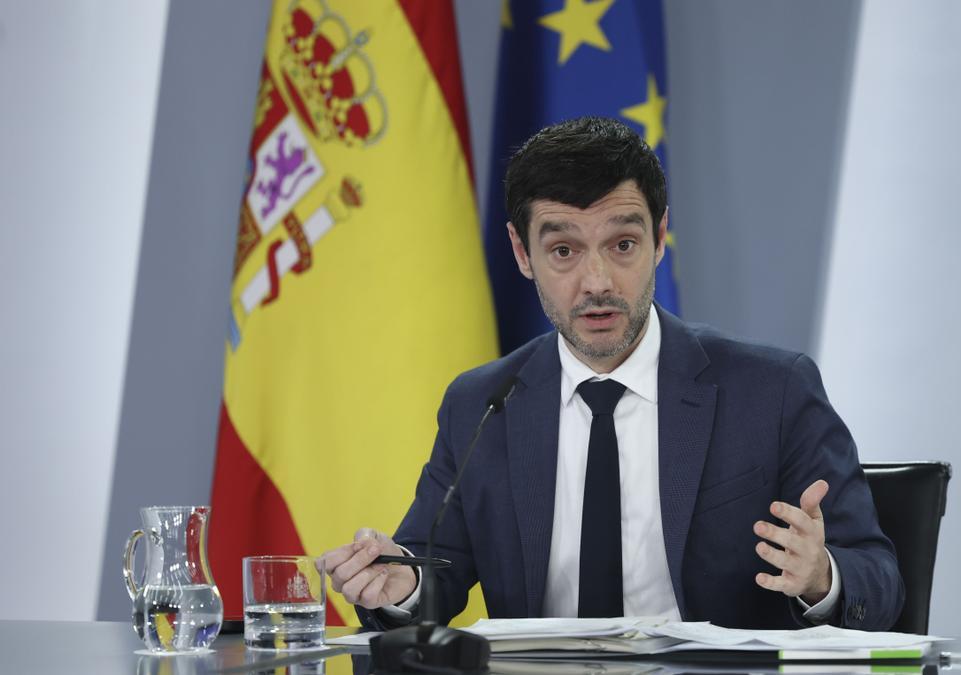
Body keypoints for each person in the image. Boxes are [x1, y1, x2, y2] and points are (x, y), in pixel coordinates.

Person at [318, 117, 903, 630]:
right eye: (564, 251)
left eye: (622, 244)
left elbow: (879, 581)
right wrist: (400, 588)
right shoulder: (481, 403)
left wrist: (821, 576)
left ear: (660, 238)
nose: (597, 281)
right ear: (522, 253)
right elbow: (427, 572)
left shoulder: (772, 392)